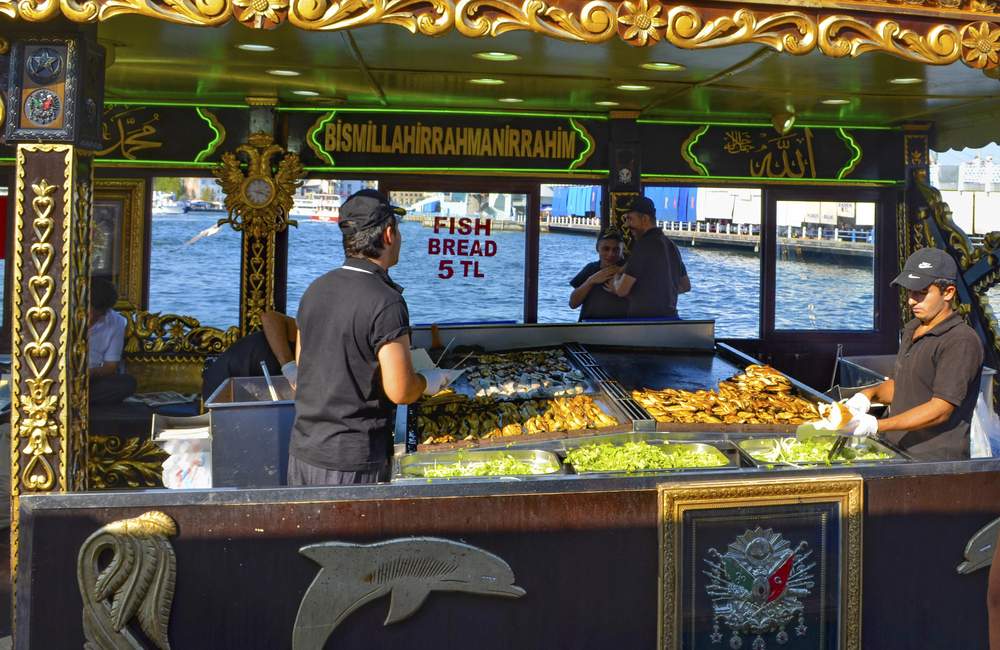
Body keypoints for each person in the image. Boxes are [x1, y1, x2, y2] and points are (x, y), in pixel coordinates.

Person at [288, 189, 451, 486]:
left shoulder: (315, 290)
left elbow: (303, 365)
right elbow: (400, 391)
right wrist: (430, 381)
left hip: (304, 450)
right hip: (352, 460)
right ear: (389, 234)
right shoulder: (386, 301)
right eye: (398, 231)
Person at [845, 247, 983, 460]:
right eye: (909, 291)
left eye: (921, 292)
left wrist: (876, 425)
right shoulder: (912, 328)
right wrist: (868, 395)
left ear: (948, 292)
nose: (911, 300)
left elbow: (940, 409)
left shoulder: (961, 341)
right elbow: (904, 386)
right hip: (896, 450)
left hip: (933, 463)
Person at [610, 196, 690, 319]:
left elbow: (622, 290)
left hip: (645, 323)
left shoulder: (643, 246)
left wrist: (615, 280)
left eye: (630, 219)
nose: (626, 225)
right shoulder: (671, 245)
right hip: (671, 320)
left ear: (645, 219)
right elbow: (685, 286)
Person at [200, 310, 298, 401]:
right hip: (225, 381)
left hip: (256, 389)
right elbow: (270, 318)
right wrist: (289, 367)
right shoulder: (307, 333)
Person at [89, 278, 137, 405]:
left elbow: (111, 366)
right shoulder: (65, 316)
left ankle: (79, 398)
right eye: (90, 312)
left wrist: (91, 373)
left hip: (92, 378)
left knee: (127, 383)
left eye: (97, 315)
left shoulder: (117, 322)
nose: (92, 318)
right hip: (65, 375)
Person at [568, 230, 628, 321]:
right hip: (589, 326)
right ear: (597, 248)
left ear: (622, 250)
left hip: (619, 328)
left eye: (616, 250)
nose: (610, 254)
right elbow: (573, 304)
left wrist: (619, 291)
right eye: (606, 249)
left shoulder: (629, 271)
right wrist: (591, 281)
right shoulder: (591, 268)